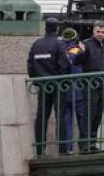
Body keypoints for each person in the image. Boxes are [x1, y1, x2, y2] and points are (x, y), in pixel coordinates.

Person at [27, 18, 71, 156]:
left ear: (45, 28)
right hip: (57, 85)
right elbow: (64, 65)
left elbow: (30, 64)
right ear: (57, 29)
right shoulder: (59, 44)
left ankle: (40, 150)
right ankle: (62, 149)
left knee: (41, 116)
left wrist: (37, 81)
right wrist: (64, 81)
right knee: (60, 115)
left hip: (43, 85)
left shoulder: (36, 44)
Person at [78, 21, 104, 153]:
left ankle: (92, 142)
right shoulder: (87, 44)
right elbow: (76, 60)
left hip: (101, 84)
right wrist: (80, 52)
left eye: (103, 32)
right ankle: (84, 144)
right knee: (89, 114)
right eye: (98, 31)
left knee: (98, 114)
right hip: (89, 84)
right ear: (93, 31)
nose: (100, 34)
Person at [60, 27, 89, 154]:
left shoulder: (60, 51)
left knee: (67, 121)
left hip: (63, 90)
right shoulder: (77, 51)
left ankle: (68, 148)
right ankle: (84, 145)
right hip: (77, 90)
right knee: (83, 118)